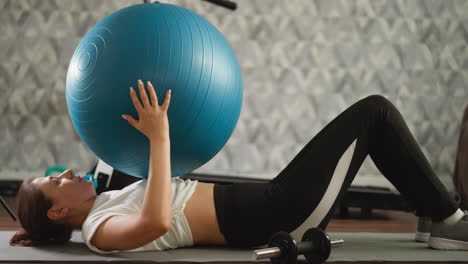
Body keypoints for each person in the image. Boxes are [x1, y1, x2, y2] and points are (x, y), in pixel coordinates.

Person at [10, 80, 468, 253]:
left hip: (270, 197)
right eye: (56, 181)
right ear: (56, 212)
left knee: (372, 120)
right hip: (281, 215)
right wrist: (160, 136)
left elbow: (116, 146)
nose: (66, 173)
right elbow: (156, 221)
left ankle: (432, 215)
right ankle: (449, 219)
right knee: (375, 113)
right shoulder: (98, 230)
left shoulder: (107, 195)